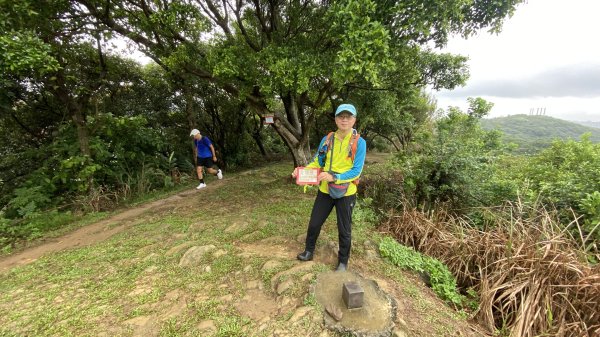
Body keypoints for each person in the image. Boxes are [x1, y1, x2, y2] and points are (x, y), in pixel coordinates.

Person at [292, 103, 366, 272]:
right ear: (336, 119)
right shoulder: (327, 139)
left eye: (348, 117)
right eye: (341, 116)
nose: (344, 120)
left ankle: (342, 262)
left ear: (354, 120)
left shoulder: (359, 143)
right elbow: (318, 161)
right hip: (325, 189)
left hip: (347, 192)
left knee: (344, 229)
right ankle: (309, 251)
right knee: (314, 223)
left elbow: (356, 171)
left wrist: (335, 177)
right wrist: (301, 171)